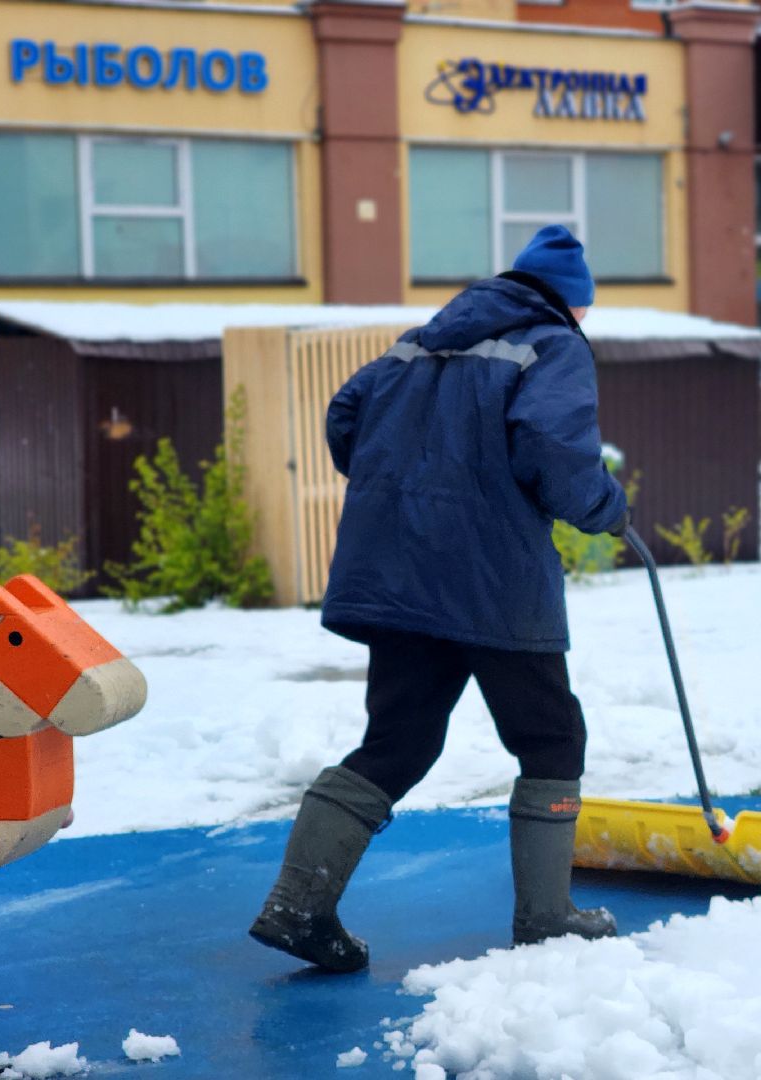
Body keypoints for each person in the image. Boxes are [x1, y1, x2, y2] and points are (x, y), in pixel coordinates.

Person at [249, 225, 629, 973]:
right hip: (491, 577)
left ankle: (299, 908)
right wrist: (605, 509)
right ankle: (547, 918)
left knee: (400, 740)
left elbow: (344, 417)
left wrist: (409, 490)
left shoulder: (419, 342)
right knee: (551, 736)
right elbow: (554, 447)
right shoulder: (552, 344)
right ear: (571, 302)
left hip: (398, 572)